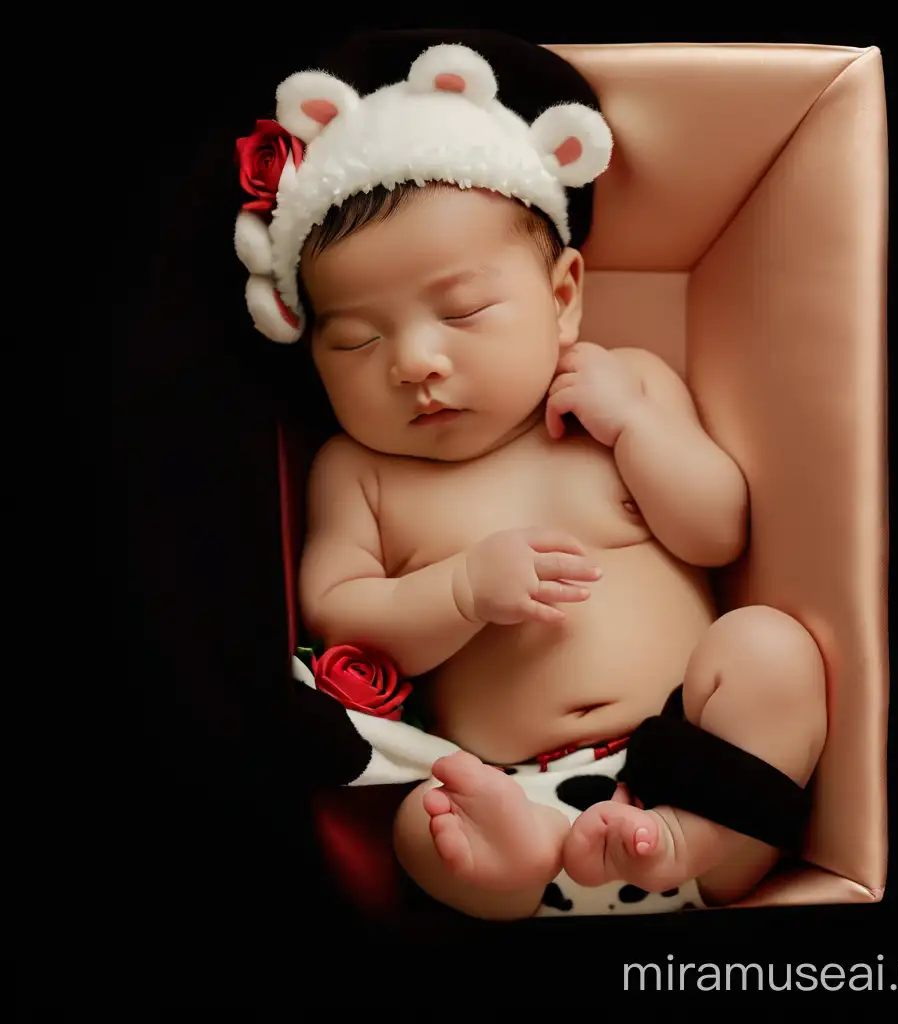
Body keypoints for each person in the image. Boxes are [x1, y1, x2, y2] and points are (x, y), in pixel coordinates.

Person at [233, 40, 827, 920]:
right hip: (512, 798)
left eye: (464, 311)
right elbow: (337, 610)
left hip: (696, 760)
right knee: (420, 820)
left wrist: (637, 427)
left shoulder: (625, 386)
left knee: (771, 647)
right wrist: (462, 589)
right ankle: (509, 874)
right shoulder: (361, 470)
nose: (415, 362)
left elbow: (719, 531)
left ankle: (699, 841)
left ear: (562, 297)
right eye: (356, 340)